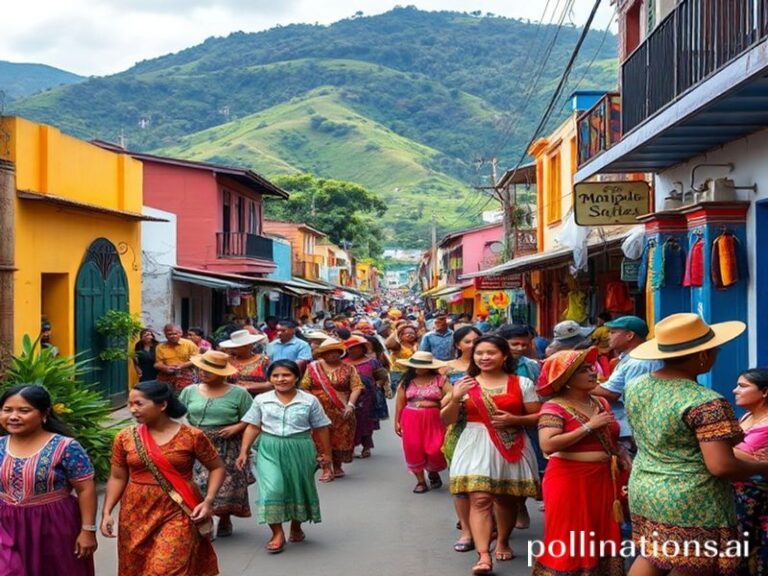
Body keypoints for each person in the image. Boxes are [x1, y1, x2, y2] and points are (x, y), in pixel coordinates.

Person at [624, 313, 768, 575]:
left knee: (653, 555)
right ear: (702, 356)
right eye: (714, 350)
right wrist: (762, 466)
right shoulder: (705, 401)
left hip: (645, 486)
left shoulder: (637, 386)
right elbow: (721, 466)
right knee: (693, 564)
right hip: (692, 498)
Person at [101, 381, 225, 576]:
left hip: (178, 508)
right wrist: (107, 511)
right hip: (135, 512)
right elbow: (117, 476)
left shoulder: (192, 436)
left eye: (139, 404)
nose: (132, 410)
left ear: (162, 405)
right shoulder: (125, 437)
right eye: (129, 404)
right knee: (135, 566)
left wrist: (208, 501)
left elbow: (217, 467)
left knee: (166, 569)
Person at [442, 335, 541, 574]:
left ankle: (504, 540)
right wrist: (456, 397)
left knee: (506, 498)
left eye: (491, 353)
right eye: (479, 353)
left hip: (512, 443)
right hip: (475, 443)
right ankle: (484, 555)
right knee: (480, 499)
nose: (484, 357)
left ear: (504, 356)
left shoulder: (522, 383)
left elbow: (538, 416)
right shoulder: (464, 384)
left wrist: (516, 419)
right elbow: (447, 419)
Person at [532, 347, 627, 576]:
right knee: (570, 534)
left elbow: (611, 437)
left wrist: (621, 455)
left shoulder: (600, 403)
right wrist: (588, 426)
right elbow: (548, 444)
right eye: (583, 370)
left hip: (603, 478)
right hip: (569, 480)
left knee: (601, 532)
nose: (592, 373)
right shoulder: (554, 407)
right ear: (566, 379)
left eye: (591, 368)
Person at [0, 384, 97, 576]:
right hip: (6, 525)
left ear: (44, 413)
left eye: (24, 410)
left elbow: (86, 489)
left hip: (55, 525)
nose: (13, 416)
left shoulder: (66, 447)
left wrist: (88, 530)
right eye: (7, 410)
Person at [237, 360, 332, 554]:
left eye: (286, 375)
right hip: (269, 447)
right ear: (270, 378)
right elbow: (254, 426)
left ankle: (296, 527)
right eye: (276, 375)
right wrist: (244, 450)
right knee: (273, 488)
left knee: (298, 487)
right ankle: (277, 533)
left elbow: (321, 428)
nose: (281, 379)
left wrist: (326, 454)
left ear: (296, 377)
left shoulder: (309, 400)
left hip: (301, 448)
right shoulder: (261, 400)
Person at [180, 351, 254, 538]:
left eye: (209, 370)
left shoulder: (240, 393)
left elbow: (253, 417)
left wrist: (237, 427)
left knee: (226, 485)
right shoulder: (190, 391)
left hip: (227, 445)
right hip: (197, 443)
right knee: (199, 483)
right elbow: (179, 414)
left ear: (223, 373)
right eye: (202, 369)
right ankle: (206, 518)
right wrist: (188, 430)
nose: (204, 373)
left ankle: (225, 517)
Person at [591, 315, 662, 455]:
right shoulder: (629, 358)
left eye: (613, 332)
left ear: (629, 335)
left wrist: (579, 387)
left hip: (634, 430)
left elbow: (613, 393)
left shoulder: (639, 361)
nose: (608, 336)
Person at [300, 338, 363, 481]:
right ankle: (326, 468)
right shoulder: (313, 368)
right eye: (328, 352)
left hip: (342, 410)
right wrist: (314, 401)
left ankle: (338, 465)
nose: (332, 355)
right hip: (318, 411)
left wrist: (350, 405)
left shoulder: (349, 368)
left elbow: (356, 387)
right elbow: (304, 387)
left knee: (340, 438)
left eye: (335, 352)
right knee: (320, 440)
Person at [442, 325, 482, 553]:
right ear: (457, 345)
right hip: (458, 429)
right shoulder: (446, 370)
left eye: (478, 340)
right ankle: (466, 530)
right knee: (461, 482)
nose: (474, 345)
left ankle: (488, 524)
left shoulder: (493, 366)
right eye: (468, 341)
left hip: (490, 430)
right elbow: (444, 404)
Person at [394, 351, 451, 493]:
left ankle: (432, 470)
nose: (419, 369)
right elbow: (400, 402)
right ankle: (420, 481)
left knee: (436, 448)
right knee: (413, 448)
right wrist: (397, 421)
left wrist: (437, 404)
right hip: (410, 418)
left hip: (434, 419)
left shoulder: (440, 380)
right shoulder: (405, 382)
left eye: (422, 366)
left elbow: (452, 393)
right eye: (416, 366)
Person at [732, 368, 768, 576]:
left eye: (743, 386)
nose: (735, 390)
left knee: (750, 550)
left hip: (756, 498)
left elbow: (733, 454)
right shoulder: (747, 417)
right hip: (737, 495)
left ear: (764, 392)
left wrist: (719, 448)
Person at [345, 335, 389, 458]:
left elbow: (382, 376)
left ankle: (366, 447)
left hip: (367, 399)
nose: (353, 351)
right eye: (350, 348)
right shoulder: (343, 363)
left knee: (365, 423)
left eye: (356, 348)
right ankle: (350, 447)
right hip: (348, 397)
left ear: (362, 348)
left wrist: (376, 387)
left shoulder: (372, 362)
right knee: (349, 423)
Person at [220, 330, 272, 396]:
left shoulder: (263, 361)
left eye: (239, 347)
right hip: (232, 398)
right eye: (234, 347)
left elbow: (272, 384)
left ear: (249, 346)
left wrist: (251, 386)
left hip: (258, 399)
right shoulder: (228, 361)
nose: (234, 349)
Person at [154, 324, 199, 391]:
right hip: (167, 375)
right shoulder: (160, 347)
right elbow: (157, 364)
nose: (173, 336)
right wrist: (165, 368)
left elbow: (197, 359)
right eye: (169, 334)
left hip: (186, 375)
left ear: (181, 333)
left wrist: (183, 365)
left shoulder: (189, 344)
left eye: (175, 334)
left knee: (184, 396)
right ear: (165, 335)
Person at [387, 323, 420, 395]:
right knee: (402, 394)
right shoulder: (397, 346)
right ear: (401, 336)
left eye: (413, 333)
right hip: (398, 374)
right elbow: (388, 344)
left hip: (412, 373)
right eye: (407, 333)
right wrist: (398, 330)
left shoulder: (415, 345)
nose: (411, 335)